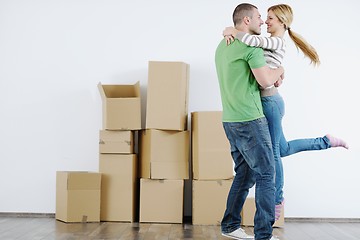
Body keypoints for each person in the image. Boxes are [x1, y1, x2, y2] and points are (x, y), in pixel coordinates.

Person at [222, 3, 349, 221]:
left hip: (270, 103)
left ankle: (277, 198)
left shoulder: (275, 41)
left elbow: (251, 41)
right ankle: (325, 141)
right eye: (265, 17)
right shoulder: (269, 42)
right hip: (269, 101)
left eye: (270, 18)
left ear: (281, 21)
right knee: (282, 148)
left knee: (272, 155)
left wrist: (232, 31)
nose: (265, 21)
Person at [215, 3, 284, 240]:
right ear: (246, 21)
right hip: (250, 119)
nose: (262, 21)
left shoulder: (222, 46)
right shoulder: (250, 47)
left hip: (229, 120)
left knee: (244, 174)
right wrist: (281, 69)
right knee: (267, 174)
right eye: (258, 17)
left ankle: (230, 225)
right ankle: (263, 235)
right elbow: (265, 81)